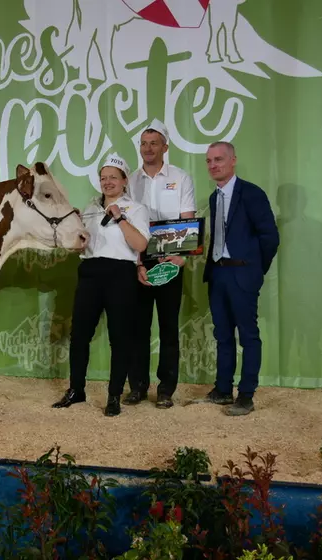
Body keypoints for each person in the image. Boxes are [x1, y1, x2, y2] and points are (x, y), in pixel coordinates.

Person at [52, 153, 150, 417]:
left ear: (124, 180)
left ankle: (114, 395)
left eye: (113, 178)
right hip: (90, 272)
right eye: (103, 178)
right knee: (79, 334)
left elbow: (141, 245)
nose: (107, 183)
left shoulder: (136, 209)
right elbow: (81, 247)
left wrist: (120, 217)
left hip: (121, 274)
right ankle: (76, 390)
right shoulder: (90, 208)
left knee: (120, 338)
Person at [201, 141, 279, 416]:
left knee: (248, 335)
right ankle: (223, 390)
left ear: (233, 161)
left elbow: (270, 237)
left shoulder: (252, 193)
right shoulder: (214, 197)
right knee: (222, 335)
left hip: (242, 272)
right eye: (209, 161)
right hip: (218, 272)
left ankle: (246, 395)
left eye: (219, 159)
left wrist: (256, 269)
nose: (213, 165)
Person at [123, 122, 197, 409]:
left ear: (165, 147)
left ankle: (166, 390)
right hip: (140, 260)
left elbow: (187, 217)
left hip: (171, 258)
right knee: (137, 328)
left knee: (168, 328)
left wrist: (180, 257)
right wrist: (138, 262)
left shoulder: (181, 178)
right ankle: (137, 387)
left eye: (154, 143)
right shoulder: (129, 181)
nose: (148, 148)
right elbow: (127, 224)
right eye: (144, 143)